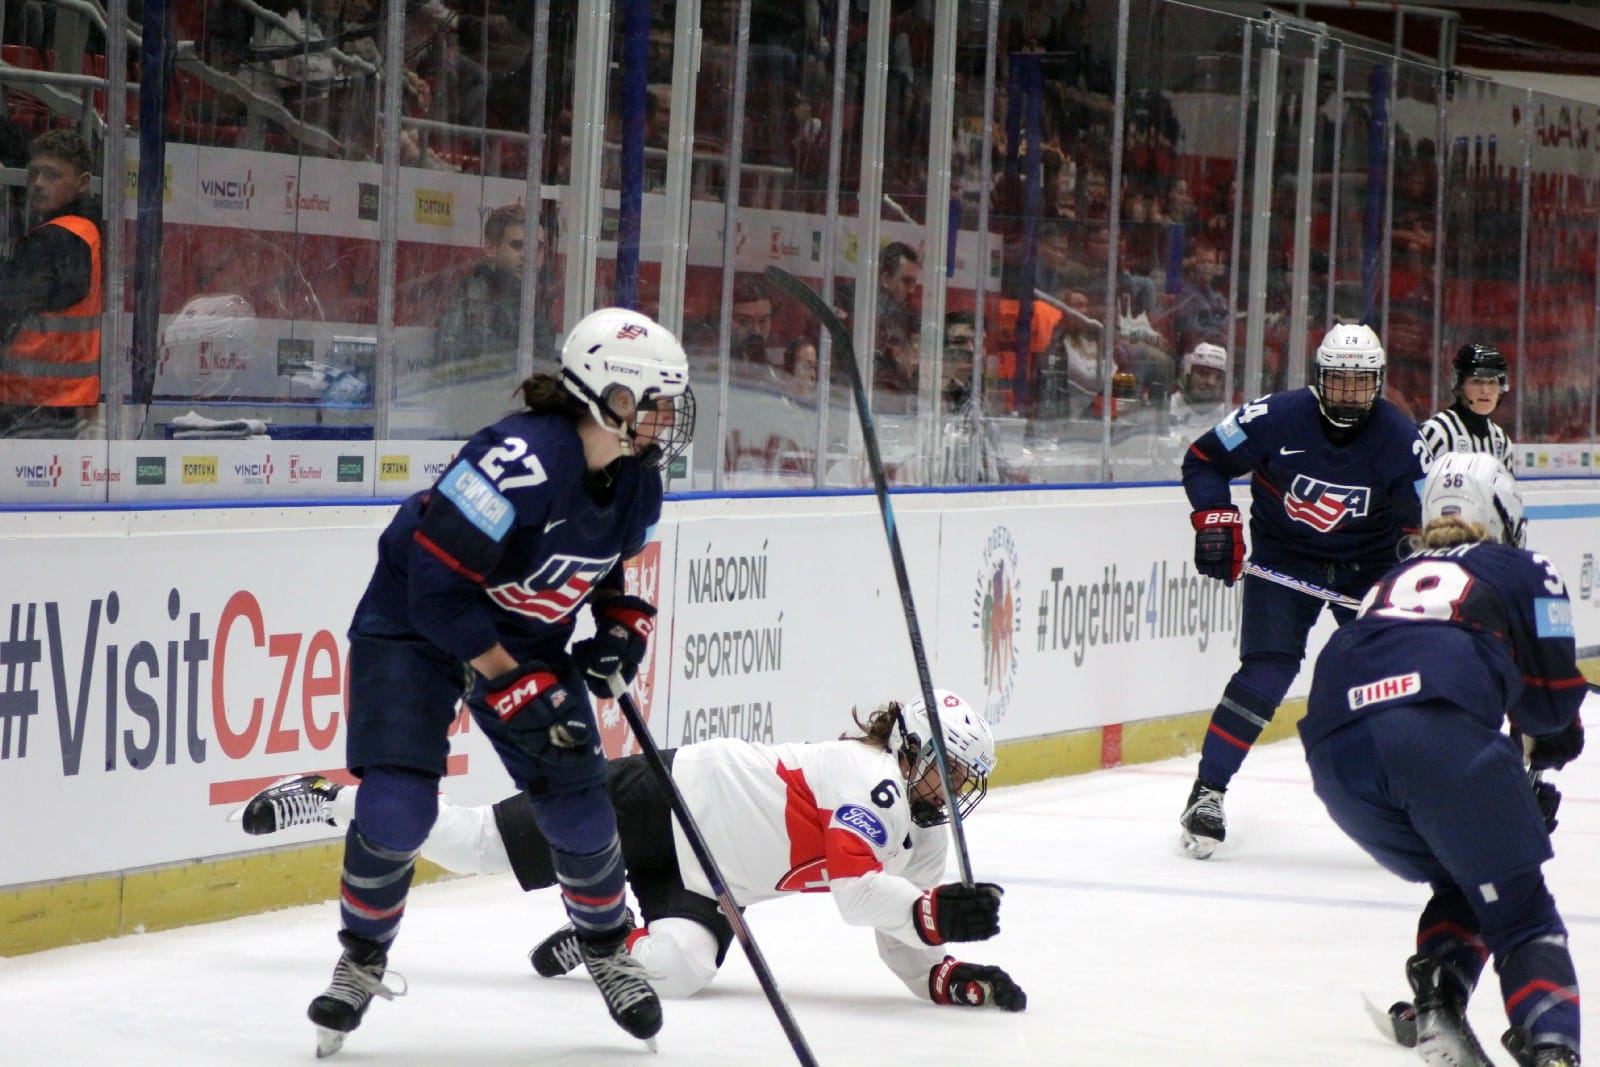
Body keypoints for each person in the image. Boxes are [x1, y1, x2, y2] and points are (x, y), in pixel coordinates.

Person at [304, 306, 696, 1057]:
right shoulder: (514, 462)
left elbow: (603, 565)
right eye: (655, 402)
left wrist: (619, 625)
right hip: (413, 626)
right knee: (397, 807)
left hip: (523, 635)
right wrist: (513, 683)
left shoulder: (636, 481)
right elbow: (436, 592)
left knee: (582, 812)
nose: (667, 420)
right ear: (610, 397)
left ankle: (607, 946)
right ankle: (361, 958)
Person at [240, 691, 1027, 1013]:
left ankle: (602, 935)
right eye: (949, 768)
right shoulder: (871, 775)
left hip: (712, 885)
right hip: (665, 800)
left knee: (681, 970)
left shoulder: (925, 833)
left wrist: (947, 974)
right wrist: (932, 911)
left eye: (967, 778)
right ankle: (335, 796)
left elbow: (899, 930)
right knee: (479, 844)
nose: (956, 788)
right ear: (913, 746)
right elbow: (860, 896)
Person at [1302, 454, 1585, 1067]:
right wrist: (1552, 743)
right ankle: (1553, 1049)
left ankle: (1438, 999)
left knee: (1467, 874)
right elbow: (1550, 708)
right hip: (1433, 735)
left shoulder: (1387, 582)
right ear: (1504, 512)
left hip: (1334, 753)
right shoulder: (1525, 566)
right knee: (1522, 909)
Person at [1178, 322, 1430, 858]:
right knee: (1266, 673)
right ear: (1319, 378)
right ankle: (1207, 793)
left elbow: (1424, 520)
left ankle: (1413, 800)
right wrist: (1216, 519)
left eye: (1361, 383)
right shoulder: (1274, 417)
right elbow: (1204, 460)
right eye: (1339, 380)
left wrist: (1421, 565)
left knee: (1390, 682)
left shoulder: (1403, 439)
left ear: (1378, 382)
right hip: (1285, 561)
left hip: (1366, 569)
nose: (1349, 394)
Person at [0, 129, 102, 439]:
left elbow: (8, 309)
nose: (39, 183)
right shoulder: (82, 232)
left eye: (52, 175)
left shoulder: (57, 239)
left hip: (30, 402)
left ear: (83, 183)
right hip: (59, 401)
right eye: (34, 173)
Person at [434, 203, 555, 376]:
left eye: (537, 248)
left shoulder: (534, 303)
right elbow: (455, 371)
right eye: (517, 245)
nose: (528, 256)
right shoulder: (469, 299)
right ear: (491, 248)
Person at [1418, 342, 1515, 470]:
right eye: (1476, 381)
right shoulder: (1436, 433)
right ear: (1459, 386)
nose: (1485, 390)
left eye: (1492, 382)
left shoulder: (1501, 441)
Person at [1167, 340, 1228, 433]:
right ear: (1186, 375)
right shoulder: (1166, 408)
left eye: (1219, 377)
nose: (1211, 382)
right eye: (1203, 374)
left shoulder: (1229, 417)